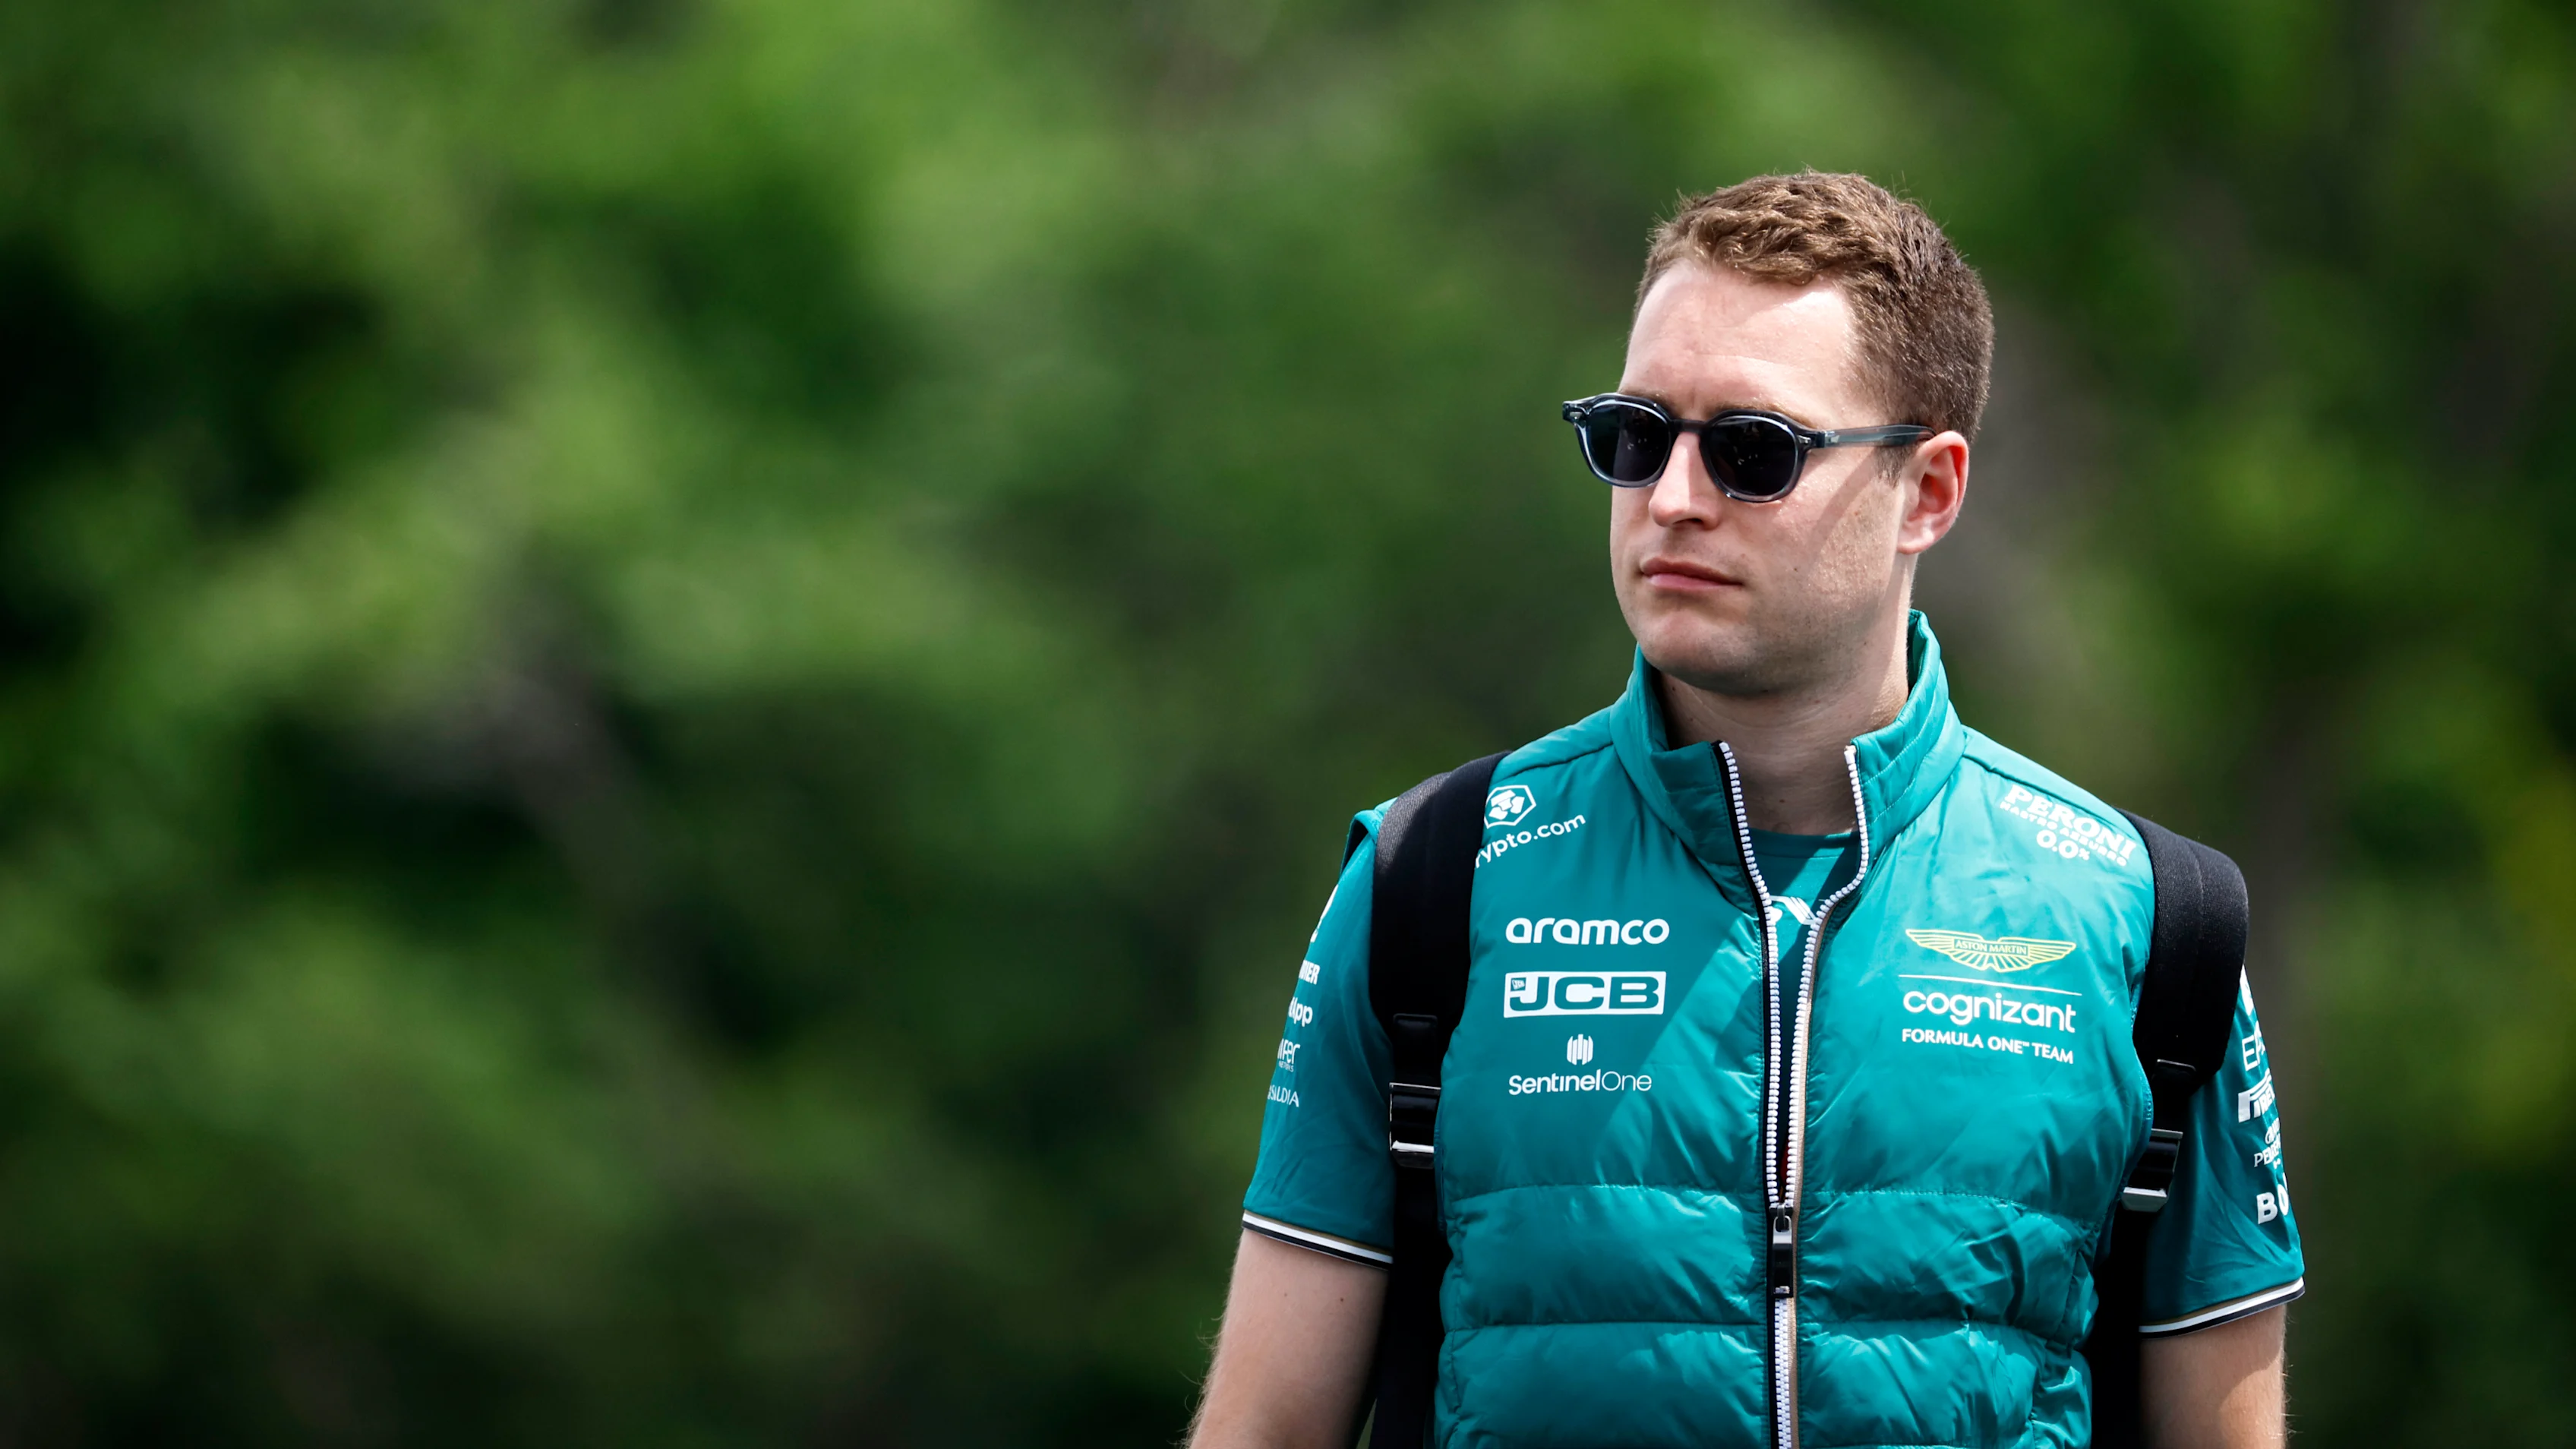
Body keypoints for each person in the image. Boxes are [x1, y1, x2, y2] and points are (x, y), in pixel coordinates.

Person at [1189, 172, 2304, 1448]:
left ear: (1930, 494)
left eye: (1751, 452)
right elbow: (1265, 1426)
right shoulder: (1424, 879)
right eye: (1632, 435)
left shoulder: (2154, 923)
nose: (1669, 498)